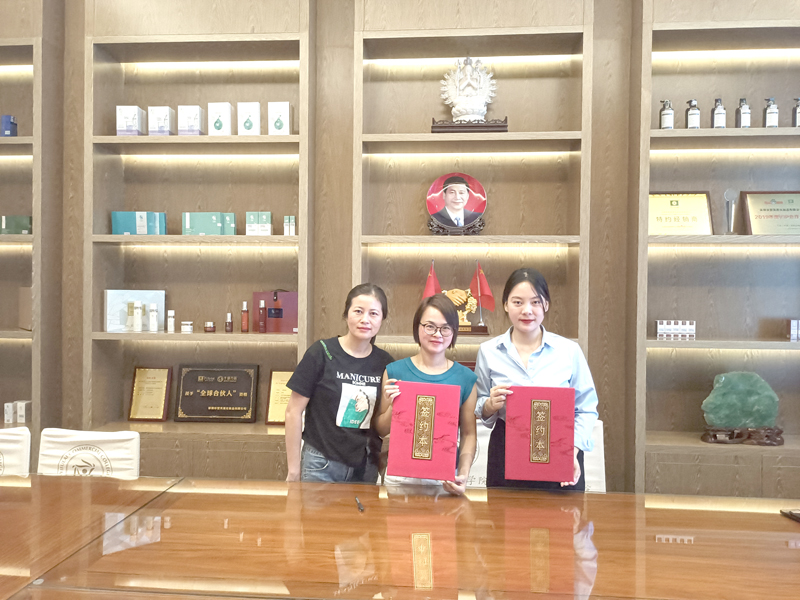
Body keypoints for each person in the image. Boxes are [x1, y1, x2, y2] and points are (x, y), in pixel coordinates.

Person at [474, 268, 598, 490]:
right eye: (517, 302)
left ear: (546, 305)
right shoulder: (488, 351)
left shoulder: (569, 351)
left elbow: (586, 408)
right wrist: (490, 405)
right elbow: (480, 403)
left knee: (562, 512)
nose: (527, 310)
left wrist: (572, 450)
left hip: (560, 449)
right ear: (505, 305)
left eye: (535, 302)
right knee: (505, 512)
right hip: (506, 451)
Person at [284, 283, 393, 483]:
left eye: (373, 314)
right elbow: (293, 412)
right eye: (358, 311)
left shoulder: (385, 363)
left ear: (382, 319)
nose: (365, 319)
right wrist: (293, 470)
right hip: (320, 464)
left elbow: (381, 428)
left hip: (365, 467)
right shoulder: (321, 352)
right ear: (346, 314)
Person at [375, 294, 478, 495]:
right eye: (430, 326)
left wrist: (463, 473)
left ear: (454, 332)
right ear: (417, 327)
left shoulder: (466, 378)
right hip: (400, 477)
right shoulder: (395, 371)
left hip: (445, 477)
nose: (437, 334)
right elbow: (380, 429)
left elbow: (469, 434)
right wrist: (394, 408)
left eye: (445, 328)